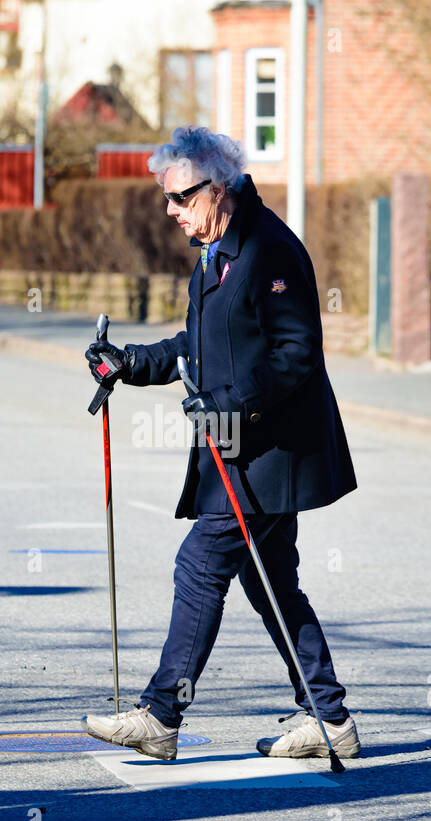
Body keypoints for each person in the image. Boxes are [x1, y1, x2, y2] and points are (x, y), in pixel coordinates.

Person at [81, 126, 359, 762]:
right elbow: (197, 349)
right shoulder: (218, 254)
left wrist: (231, 405)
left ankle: (160, 714)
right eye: (167, 202)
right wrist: (128, 363)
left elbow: (297, 355)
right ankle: (330, 720)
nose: (172, 213)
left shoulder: (268, 251)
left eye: (179, 199)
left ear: (221, 187)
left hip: (269, 451)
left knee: (201, 565)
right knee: (273, 586)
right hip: (241, 444)